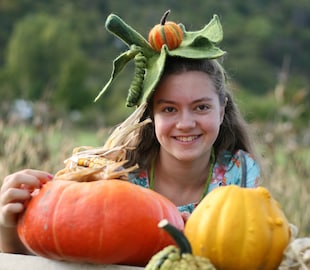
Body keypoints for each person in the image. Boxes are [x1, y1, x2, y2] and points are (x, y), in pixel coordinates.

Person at [0, 12, 260, 254]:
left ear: (222, 108)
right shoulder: (115, 178)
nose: (185, 123)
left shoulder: (240, 175)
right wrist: (8, 225)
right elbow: (47, 254)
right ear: (151, 114)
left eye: (201, 107)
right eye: (169, 109)